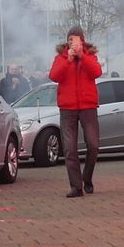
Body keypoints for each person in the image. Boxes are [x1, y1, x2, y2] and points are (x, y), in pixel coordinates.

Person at [49, 25, 102, 198]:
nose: (73, 42)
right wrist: (68, 60)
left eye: (76, 39)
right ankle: (76, 186)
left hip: (88, 106)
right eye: (70, 39)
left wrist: (82, 56)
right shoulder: (61, 58)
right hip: (67, 107)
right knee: (70, 148)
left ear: (82, 40)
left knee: (93, 145)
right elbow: (54, 76)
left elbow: (96, 72)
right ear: (67, 41)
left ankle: (87, 177)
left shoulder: (90, 56)